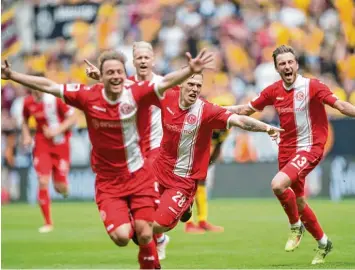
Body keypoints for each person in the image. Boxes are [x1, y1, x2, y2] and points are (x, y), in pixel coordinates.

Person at [1, 48, 214, 269]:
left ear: (125, 74)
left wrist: (190, 70)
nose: (115, 76)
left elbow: (165, 82)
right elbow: (49, 86)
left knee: (145, 231)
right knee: (122, 237)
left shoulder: (136, 92)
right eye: (110, 72)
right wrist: (13, 76)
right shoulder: (87, 96)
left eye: (119, 72)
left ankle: (151, 261)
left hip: (139, 177)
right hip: (109, 183)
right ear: (101, 77)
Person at [226, 45, 355, 265]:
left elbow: (341, 105)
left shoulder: (312, 86)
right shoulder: (273, 91)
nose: (287, 66)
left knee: (278, 185)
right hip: (286, 150)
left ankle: (295, 226)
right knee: (301, 202)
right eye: (282, 64)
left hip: (310, 147)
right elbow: (247, 109)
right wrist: (216, 110)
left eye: (290, 62)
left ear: (296, 64)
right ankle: (323, 243)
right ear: (277, 68)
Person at [150, 72, 284, 237]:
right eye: (191, 84)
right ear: (180, 85)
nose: (194, 89)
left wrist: (267, 128)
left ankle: (183, 209)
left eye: (198, 86)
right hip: (158, 170)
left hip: (182, 180)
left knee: (154, 226)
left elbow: (240, 121)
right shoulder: (167, 97)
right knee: (138, 219)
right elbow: (140, 96)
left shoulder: (205, 110)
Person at [85, 41, 171, 260]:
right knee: (143, 216)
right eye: (138, 57)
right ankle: (153, 238)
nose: (142, 61)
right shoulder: (127, 84)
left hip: (158, 148)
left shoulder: (163, 84)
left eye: (146, 57)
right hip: (136, 153)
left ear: (153, 59)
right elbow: (109, 91)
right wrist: (100, 77)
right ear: (133, 61)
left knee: (152, 203)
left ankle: (157, 232)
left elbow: (186, 104)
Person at [22, 73, 77, 233]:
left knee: (60, 187)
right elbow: (24, 120)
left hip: (61, 144)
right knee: (43, 180)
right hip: (41, 144)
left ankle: (65, 188)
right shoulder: (28, 102)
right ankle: (48, 223)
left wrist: (57, 130)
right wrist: (26, 135)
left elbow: (72, 118)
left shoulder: (54, 99)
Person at [184, 95, 234, 234]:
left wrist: (207, 165)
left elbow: (218, 146)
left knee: (201, 185)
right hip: (187, 156)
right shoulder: (203, 123)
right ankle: (188, 224)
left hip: (202, 157)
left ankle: (202, 221)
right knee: (188, 187)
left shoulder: (226, 128)